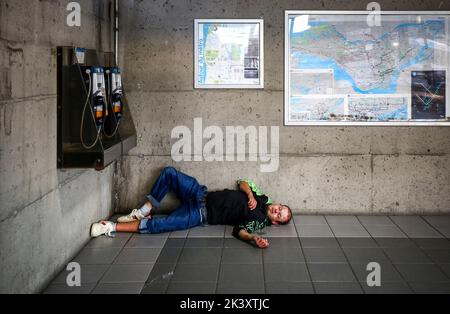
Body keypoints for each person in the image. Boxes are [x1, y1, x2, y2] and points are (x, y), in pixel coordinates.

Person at [91, 167, 293, 249]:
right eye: (280, 208)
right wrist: (249, 194)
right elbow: (243, 181)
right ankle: (143, 210)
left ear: (275, 222)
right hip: (199, 193)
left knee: (162, 225)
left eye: (280, 215)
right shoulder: (260, 195)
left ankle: (111, 227)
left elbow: (239, 230)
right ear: (277, 203)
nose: (277, 211)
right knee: (169, 173)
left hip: (198, 214)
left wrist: (252, 239)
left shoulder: (257, 220)